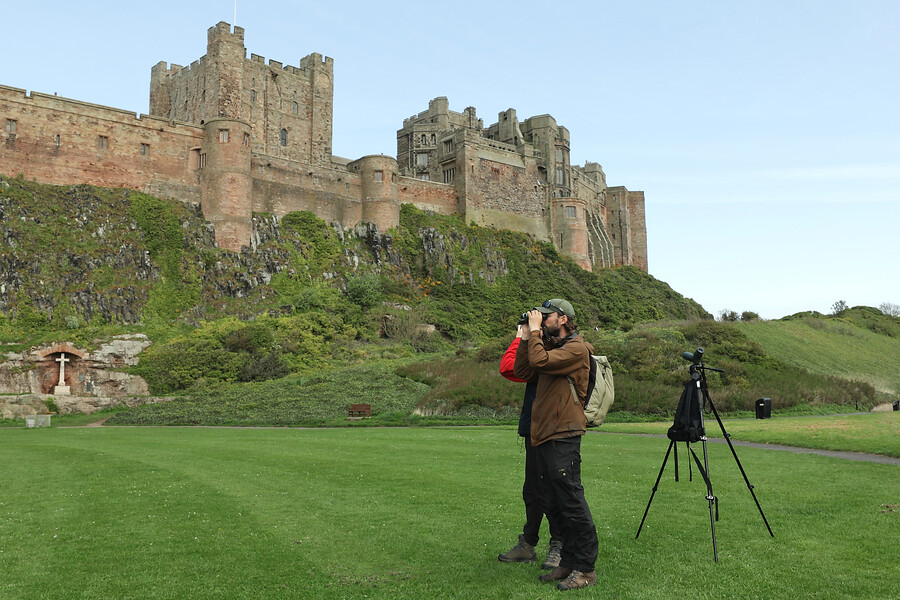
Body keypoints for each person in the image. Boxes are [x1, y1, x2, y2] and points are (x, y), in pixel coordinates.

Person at [513, 299, 598, 592]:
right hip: (546, 433)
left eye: (547, 316)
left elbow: (540, 362)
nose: (542, 318)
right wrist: (527, 337)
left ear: (563, 319)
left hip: (564, 433)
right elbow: (523, 370)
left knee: (572, 501)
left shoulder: (576, 349)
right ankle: (568, 562)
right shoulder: (552, 349)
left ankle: (585, 569)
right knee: (556, 502)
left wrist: (535, 332)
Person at [497, 324, 564, 569]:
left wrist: (524, 336)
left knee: (554, 490)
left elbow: (510, 366)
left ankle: (559, 544)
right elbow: (510, 368)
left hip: (554, 429)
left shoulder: (557, 352)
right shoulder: (538, 351)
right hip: (535, 427)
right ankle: (529, 543)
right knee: (533, 490)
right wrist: (527, 337)